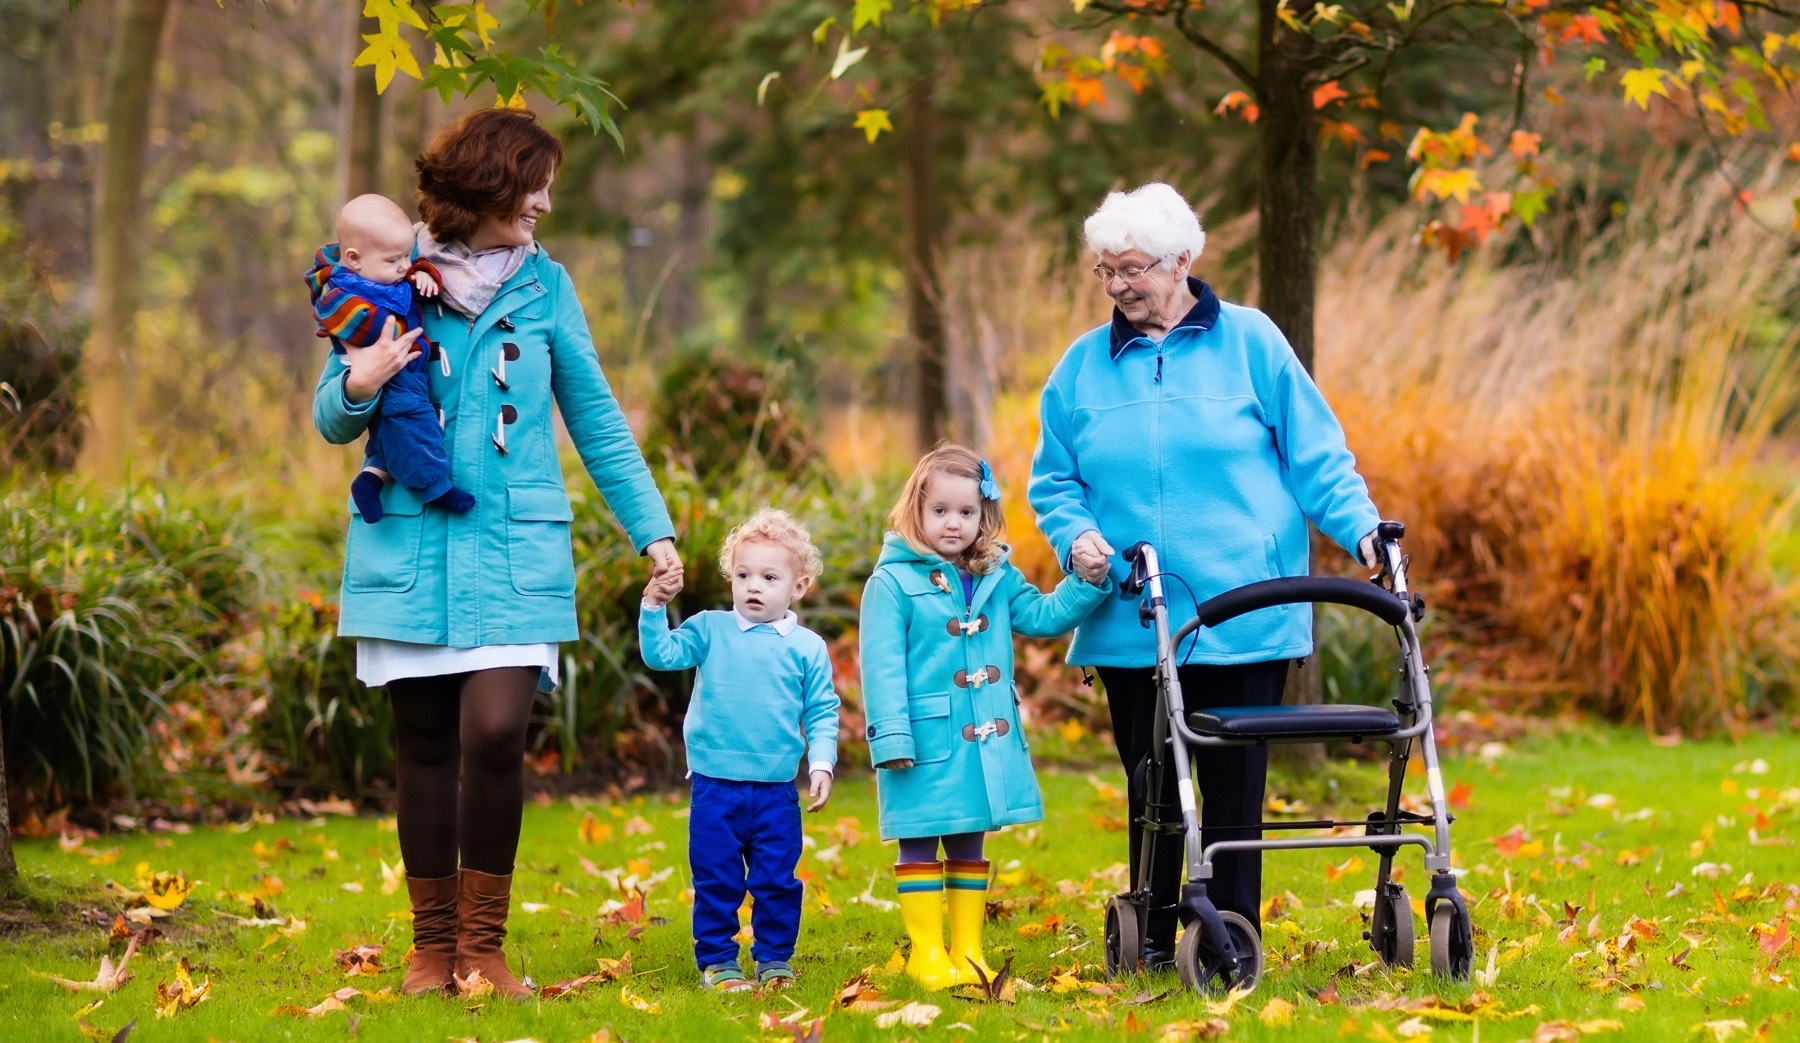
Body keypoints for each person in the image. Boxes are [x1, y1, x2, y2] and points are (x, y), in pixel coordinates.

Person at [311, 109, 683, 1000]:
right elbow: (332, 414)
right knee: (426, 741)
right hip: (407, 545)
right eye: (533, 184)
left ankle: (485, 946)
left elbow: (594, 416)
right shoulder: (394, 278)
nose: (545, 202)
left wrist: (654, 529)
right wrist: (359, 384)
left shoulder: (548, 288)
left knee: (495, 732)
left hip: (514, 553)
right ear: (485, 183)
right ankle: (431, 950)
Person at [1028, 182, 1383, 971]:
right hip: (1131, 616)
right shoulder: (1081, 368)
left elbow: (1317, 456)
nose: (1118, 285)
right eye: (1103, 270)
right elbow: (1054, 480)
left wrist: (1361, 527)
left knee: (1229, 785)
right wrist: (1076, 535)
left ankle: (1227, 937)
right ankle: (1153, 933)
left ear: (1182, 259)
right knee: (1152, 781)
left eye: (1132, 268)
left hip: (1245, 611)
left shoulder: (1253, 342)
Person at [860, 444, 1110, 990]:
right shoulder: (891, 583)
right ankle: (927, 952)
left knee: (971, 838)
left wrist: (1086, 583)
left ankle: (967, 949)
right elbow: (880, 668)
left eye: (967, 512)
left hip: (980, 741)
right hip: (922, 740)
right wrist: (890, 737)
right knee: (921, 838)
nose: (954, 523)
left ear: (984, 516)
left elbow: (1044, 616)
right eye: (941, 511)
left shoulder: (996, 575)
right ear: (916, 512)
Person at [639, 508, 840, 993]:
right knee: (717, 880)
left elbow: (822, 710)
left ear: (799, 587)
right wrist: (652, 607)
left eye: (770, 577)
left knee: (776, 881)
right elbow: (661, 655)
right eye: (744, 575)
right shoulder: (710, 629)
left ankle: (773, 960)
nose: (754, 586)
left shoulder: (807, 647)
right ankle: (718, 962)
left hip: (774, 792)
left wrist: (821, 763)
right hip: (715, 787)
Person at [305, 193, 474, 522]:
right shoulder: (343, 293)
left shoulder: (390, 270)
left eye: (408, 257)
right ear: (354, 258)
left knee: (389, 436)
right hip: (392, 368)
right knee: (414, 421)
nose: (403, 267)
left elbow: (409, 271)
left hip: (407, 363)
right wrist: (362, 381)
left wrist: (423, 273)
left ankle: (370, 480)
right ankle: (434, 485)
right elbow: (344, 324)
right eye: (394, 260)